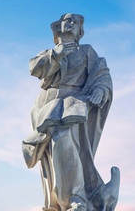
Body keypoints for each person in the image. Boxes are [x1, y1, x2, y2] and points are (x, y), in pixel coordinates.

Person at [22, 13, 119, 211]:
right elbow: (35, 68)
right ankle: (70, 199)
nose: (73, 22)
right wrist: (58, 53)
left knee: (65, 139)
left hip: (73, 106)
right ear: (58, 27)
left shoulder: (87, 52)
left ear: (80, 31)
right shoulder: (50, 52)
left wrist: (100, 90)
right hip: (47, 107)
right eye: (68, 19)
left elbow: (102, 75)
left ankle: (77, 198)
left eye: (77, 22)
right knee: (51, 154)